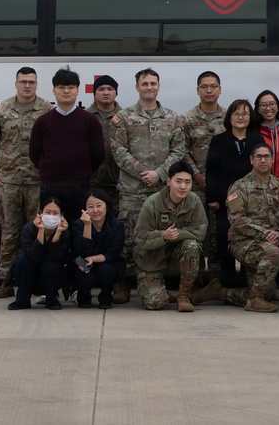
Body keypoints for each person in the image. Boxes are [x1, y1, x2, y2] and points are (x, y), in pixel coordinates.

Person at [110, 68, 186, 304]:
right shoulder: (124, 117)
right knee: (129, 238)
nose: (149, 87)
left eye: (153, 83)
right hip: (133, 190)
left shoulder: (172, 118)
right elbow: (117, 149)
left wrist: (160, 174)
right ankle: (123, 284)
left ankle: (157, 285)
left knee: (160, 239)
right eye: (145, 84)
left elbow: (179, 150)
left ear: (159, 86)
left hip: (161, 191)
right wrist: (143, 173)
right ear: (137, 87)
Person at [192, 143, 279, 313]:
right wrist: (265, 234)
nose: (263, 160)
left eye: (266, 156)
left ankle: (218, 292)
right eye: (258, 157)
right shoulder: (239, 187)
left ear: (273, 160)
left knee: (266, 293)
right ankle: (255, 301)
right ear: (251, 160)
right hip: (243, 243)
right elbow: (237, 220)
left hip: (269, 243)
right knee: (275, 254)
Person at [0, 66, 51, 298]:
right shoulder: (1, 111)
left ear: (37, 84)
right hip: (9, 182)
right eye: (23, 81)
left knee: (39, 232)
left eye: (31, 81)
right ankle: (6, 281)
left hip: (37, 182)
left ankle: (35, 282)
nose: (27, 85)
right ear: (16, 84)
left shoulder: (46, 110)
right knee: (9, 232)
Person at [29, 67, 105, 226]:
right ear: (54, 90)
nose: (66, 91)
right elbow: (34, 153)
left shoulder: (89, 120)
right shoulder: (43, 121)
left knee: (79, 228)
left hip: (80, 187)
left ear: (77, 91)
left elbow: (98, 153)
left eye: (70, 87)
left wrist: (83, 173)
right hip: (50, 186)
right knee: (51, 229)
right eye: (61, 87)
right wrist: (48, 170)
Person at [204, 99, 264, 287]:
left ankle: (248, 282)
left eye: (245, 114)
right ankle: (228, 281)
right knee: (224, 239)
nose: (240, 117)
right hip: (225, 200)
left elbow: (263, 169)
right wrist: (212, 197)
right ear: (229, 117)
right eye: (236, 114)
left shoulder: (257, 140)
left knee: (250, 237)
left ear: (250, 117)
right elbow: (211, 170)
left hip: (252, 200)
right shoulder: (219, 140)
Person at [133, 162, 207, 312]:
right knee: (155, 303)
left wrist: (177, 234)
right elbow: (140, 237)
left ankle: (183, 296)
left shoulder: (194, 201)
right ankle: (160, 291)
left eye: (187, 182)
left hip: (178, 257)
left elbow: (200, 232)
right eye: (178, 181)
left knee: (191, 245)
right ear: (168, 181)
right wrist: (163, 235)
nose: (183, 187)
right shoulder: (152, 203)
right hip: (152, 258)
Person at [183, 71, 226, 279]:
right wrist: (198, 176)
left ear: (220, 89)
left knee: (219, 232)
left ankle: (217, 279)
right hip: (195, 185)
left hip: (221, 186)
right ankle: (196, 277)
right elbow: (182, 151)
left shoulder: (228, 117)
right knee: (196, 231)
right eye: (204, 86)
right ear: (197, 90)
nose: (209, 90)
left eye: (213, 86)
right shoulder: (187, 119)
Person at [7, 197, 71, 310]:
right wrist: (41, 231)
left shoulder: (65, 234)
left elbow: (55, 257)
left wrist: (58, 233)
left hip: (51, 278)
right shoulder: (28, 229)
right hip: (30, 276)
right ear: (40, 213)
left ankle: (52, 300)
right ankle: (22, 300)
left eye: (55, 213)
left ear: (62, 216)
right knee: (22, 261)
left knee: (52, 265)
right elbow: (33, 255)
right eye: (48, 212)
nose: (51, 216)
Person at [70, 189, 125, 309]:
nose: (95, 210)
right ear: (85, 209)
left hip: (105, 260)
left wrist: (93, 259)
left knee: (107, 271)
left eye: (99, 206)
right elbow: (81, 252)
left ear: (106, 206)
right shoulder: (77, 225)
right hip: (81, 259)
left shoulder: (116, 225)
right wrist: (87, 225)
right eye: (90, 206)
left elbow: (113, 252)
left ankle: (105, 298)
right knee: (84, 273)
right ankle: (83, 297)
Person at [88, 75, 122, 218]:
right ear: (95, 94)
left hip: (118, 184)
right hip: (90, 183)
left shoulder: (126, 117)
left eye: (110, 89)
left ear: (116, 92)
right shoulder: (85, 117)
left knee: (116, 224)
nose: (106, 92)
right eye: (101, 89)